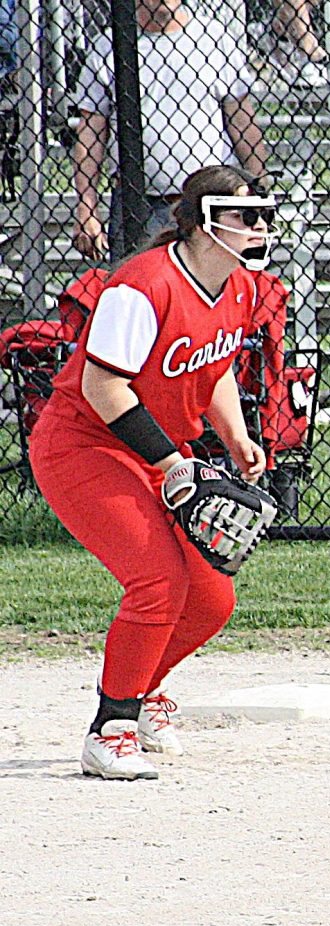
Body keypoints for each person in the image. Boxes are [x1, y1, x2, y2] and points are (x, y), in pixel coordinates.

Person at [30, 165, 274, 781]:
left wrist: (235, 435)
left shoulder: (241, 287)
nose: (259, 226)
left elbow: (212, 363)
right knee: (158, 580)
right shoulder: (142, 286)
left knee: (213, 598)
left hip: (156, 451)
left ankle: (141, 693)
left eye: (262, 214)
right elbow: (102, 385)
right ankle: (109, 731)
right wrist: (172, 462)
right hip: (84, 445)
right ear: (200, 222)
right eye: (244, 215)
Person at [70, 0, 270, 261]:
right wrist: (86, 206)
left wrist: (260, 190)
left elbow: (242, 123)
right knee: (136, 290)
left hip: (210, 202)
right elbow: (91, 134)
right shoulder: (108, 45)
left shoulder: (214, 39)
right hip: (137, 204)